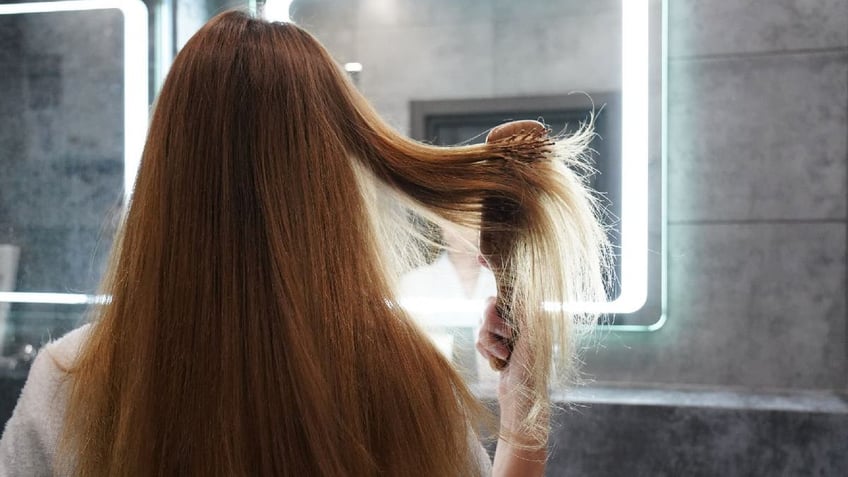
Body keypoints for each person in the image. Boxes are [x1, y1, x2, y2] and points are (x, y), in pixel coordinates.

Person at [0, 10, 608, 477]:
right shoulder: (404, 385)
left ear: (164, 173)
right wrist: (524, 403)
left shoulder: (69, 384)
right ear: (332, 185)